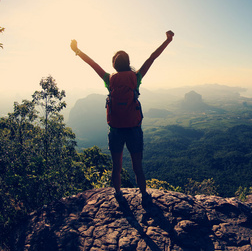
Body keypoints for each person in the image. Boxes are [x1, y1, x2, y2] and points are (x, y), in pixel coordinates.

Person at [70, 30, 174, 204]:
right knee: (137, 167)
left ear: (114, 65)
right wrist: (167, 40)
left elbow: (92, 63)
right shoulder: (136, 77)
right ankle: (144, 195)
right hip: (134, 129)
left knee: (116, 167)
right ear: (128, 63)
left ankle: (118, 194)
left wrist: (77, 50)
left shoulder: (109, 79)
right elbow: (151, 58)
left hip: (116, 129)